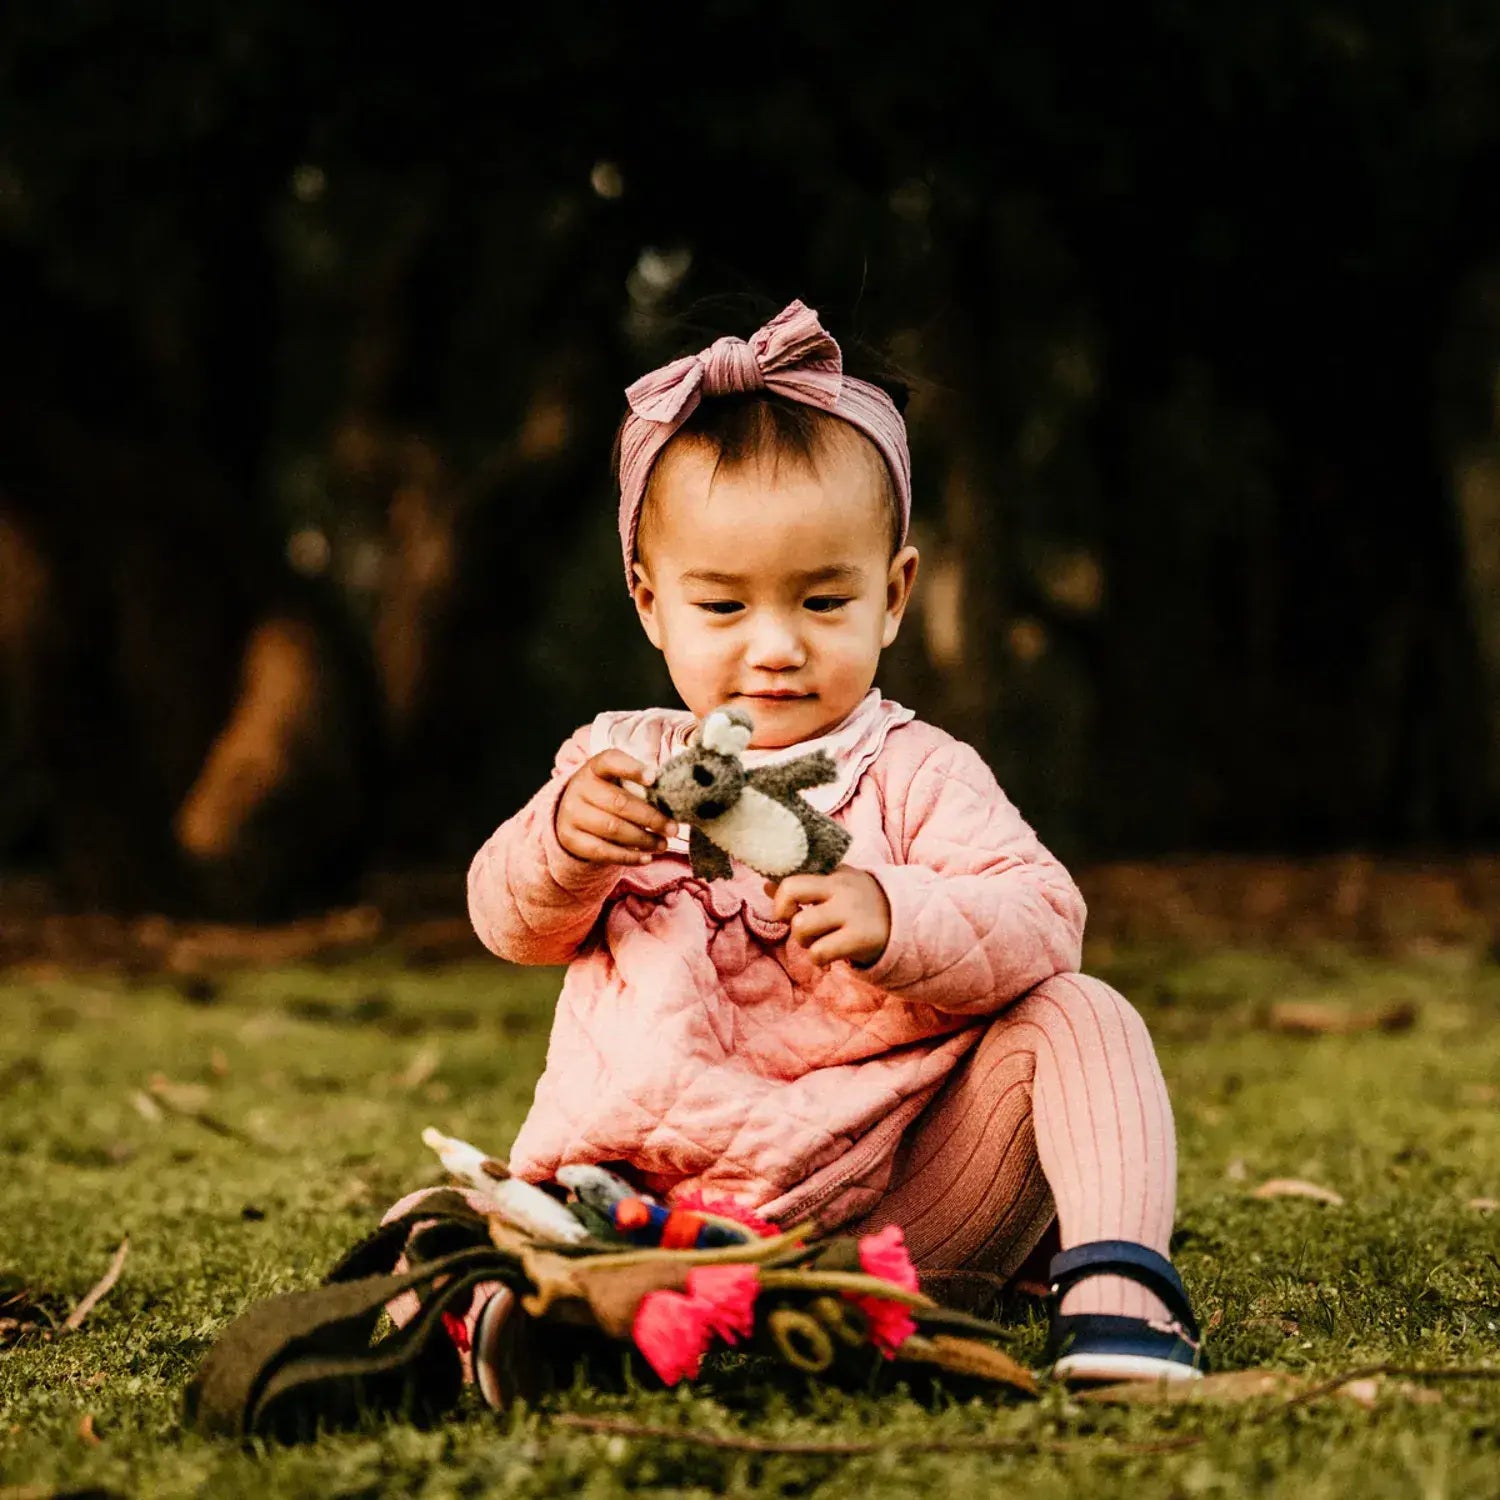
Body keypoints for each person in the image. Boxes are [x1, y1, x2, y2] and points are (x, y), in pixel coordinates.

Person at [394, 300, 1203, 1393]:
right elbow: (506, 919)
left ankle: (1119, 1299)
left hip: (886, 1218)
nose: (774, 648)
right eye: (722, 606)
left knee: (1082, 1014)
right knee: (461, 1222)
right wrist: (563, 844)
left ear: (893, 596)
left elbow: (1043, 917)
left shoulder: (918, 770)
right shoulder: (617, 761)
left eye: (824, 600)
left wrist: (894, 913)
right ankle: (527, 1318)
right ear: (650, 604)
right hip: (645, 1202)